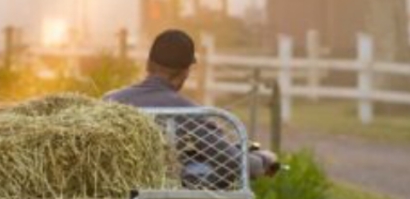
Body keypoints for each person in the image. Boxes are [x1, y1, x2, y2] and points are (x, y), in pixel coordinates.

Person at [104, 29, 280, 188]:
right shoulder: (188, 112)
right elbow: (230, 161)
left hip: (113, 192)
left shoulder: (110, 100)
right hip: (164, 194)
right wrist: (262, 160)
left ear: (148, 64)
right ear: (185, 72)